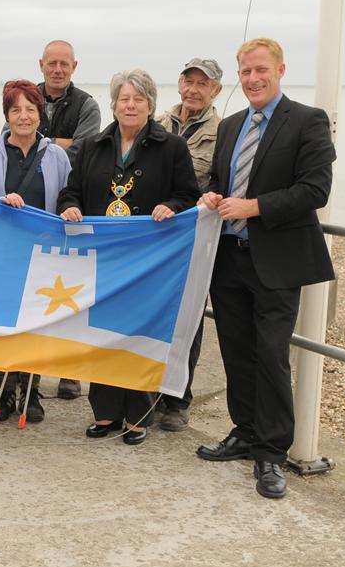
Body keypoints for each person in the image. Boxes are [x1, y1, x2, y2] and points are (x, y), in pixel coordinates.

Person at [197, 38, 336, 500]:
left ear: (280, 70)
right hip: (230, 257)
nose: (253, 79)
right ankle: (244, 431)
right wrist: (213, 197)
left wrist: (255, 206)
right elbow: (222, 181)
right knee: (236, 351)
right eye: (245, 72)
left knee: (272, 356)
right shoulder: (232, 124)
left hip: (277, 261)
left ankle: (272, 454)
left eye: (261, 70)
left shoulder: (308, 121)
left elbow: (315, 190)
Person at [58, 68, 199, 445]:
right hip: (104, 259)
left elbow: (189, 196)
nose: (131, 105)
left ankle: (138, 415)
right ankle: (105, 413)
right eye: (124, 98)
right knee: (102, 333)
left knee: (138, 334)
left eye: (138, 98)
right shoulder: (92, 145)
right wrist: (70, 207)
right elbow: (70, 192)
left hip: (148, 262)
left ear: (150, 104)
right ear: (114, 104)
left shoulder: (172, 147)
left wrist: (171, 205)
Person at [0, 79, 71, 423]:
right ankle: (5, 387)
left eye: (30, 109)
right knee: (5, 321)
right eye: (16, 109)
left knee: (36, 322)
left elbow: (66, 197)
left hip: (42, 253)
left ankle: (32, 391)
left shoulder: (56, 155)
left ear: (39, 114)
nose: (24, 116)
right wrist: (1, 203)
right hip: (2, 254)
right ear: (7, 115)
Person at [153, 57, 224, 431]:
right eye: (189, 81)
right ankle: (146, 388)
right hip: (155, 236)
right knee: (152, 310)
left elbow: (222, 181)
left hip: (194, 238)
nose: (194, 89)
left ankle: (177, 400)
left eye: (203, 83)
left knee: (190, 315)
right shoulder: (159, 123)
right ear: (180, 83)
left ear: (216, 90)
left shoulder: (224, 131)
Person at [37, 39, 102, 400]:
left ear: (74, 66)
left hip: (74, 203)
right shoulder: (26, 96)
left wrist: (41, 140)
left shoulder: (87, 104)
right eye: (52, 63)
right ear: (41, 64)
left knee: (71, 292)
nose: (58, 69)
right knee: (30, 287)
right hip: (34, 205)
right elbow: (12, 135)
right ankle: (15, 365)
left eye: (64, 63)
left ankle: (69, 372)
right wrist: (57, 141)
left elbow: (84, 148)